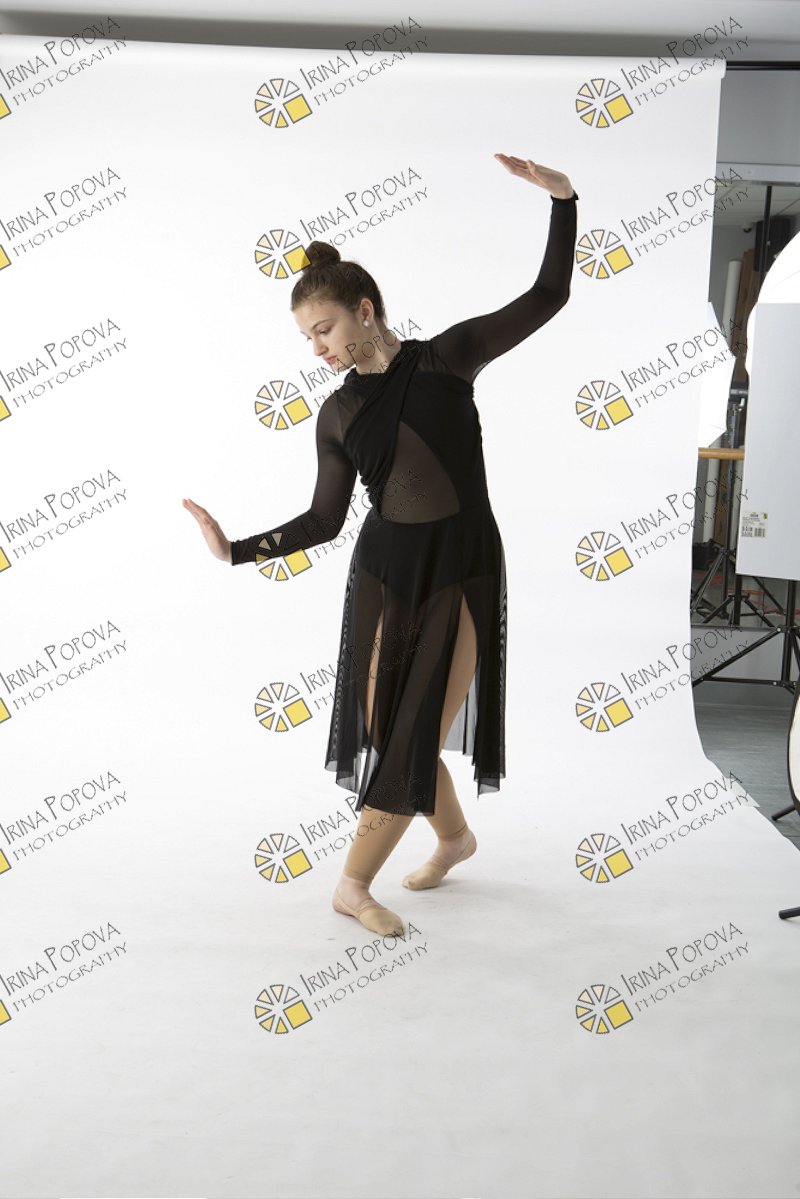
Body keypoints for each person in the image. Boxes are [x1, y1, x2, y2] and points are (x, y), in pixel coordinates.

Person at [184, 155, 578, 938]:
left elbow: (548, 295)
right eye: (307, 337)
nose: (317, 349)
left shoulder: (447, 358)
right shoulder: (336, 414)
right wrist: (238, 549)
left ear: (364, 310)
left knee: (411, 733)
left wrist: (563, 201)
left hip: (460, 569)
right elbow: (324, 519)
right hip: (384, 575)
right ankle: (455, 838)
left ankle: (352, 883)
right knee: (390, 728)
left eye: (323, 329)